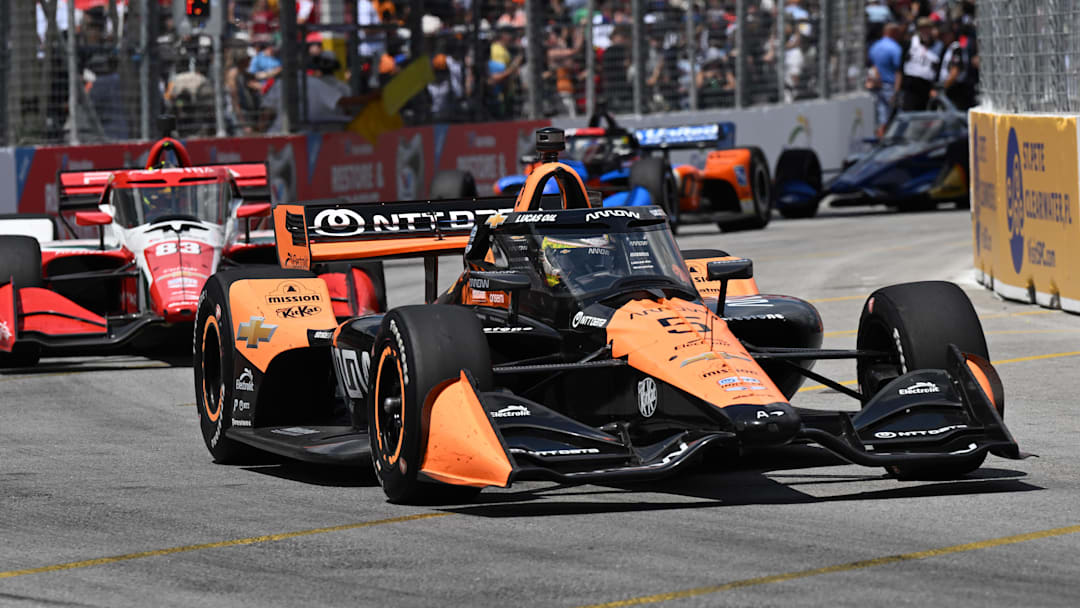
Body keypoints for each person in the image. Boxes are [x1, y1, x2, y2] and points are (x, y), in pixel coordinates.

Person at [896, 17, 942, 113]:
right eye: (922, 28)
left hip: (927, 88)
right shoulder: (911, 43)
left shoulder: (938, 46)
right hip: (910, 86)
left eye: (928, 28)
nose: (925, 31)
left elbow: (939, 70)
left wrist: (935, 88)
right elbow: (900, 67)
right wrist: (897, 89)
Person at [868, 22, 903, 126]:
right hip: (890, 87)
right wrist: (896, 92)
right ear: (893, 32)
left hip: (876, 86)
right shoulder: (895, 48)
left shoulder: (874, 46)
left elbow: (871, 65)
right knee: (897, 119)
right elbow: (898, 71)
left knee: (882, 118)